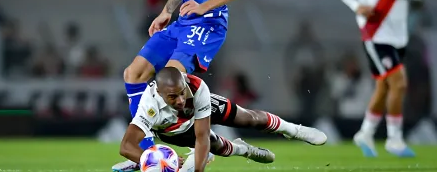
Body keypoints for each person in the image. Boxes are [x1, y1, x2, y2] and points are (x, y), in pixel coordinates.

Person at [115, 0, 244, 170]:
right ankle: (150, 155)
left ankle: (203, 146)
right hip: (183, 22)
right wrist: (166, 11)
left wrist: (202, 7)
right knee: (133, 74)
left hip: (207, 23)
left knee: (171, 81)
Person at [335, 0, 426, 158]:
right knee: (399, 82)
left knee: (384, 87)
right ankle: (395, 140)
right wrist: (357, 6)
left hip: (399, 36)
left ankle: (365, 132)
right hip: (375, 33)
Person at [118, 67, 328, 172]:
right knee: (217, 146)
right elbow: (127, 146)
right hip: (172, 129)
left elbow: (202, 138)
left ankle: (294, 130)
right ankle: (244, 150)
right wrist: (153, 163)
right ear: (160, 94)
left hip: (199, 112)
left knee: (250, 118)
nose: (181, 99)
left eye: (182, 92)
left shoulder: (197, 87)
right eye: (173, 96)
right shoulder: (148, 105)